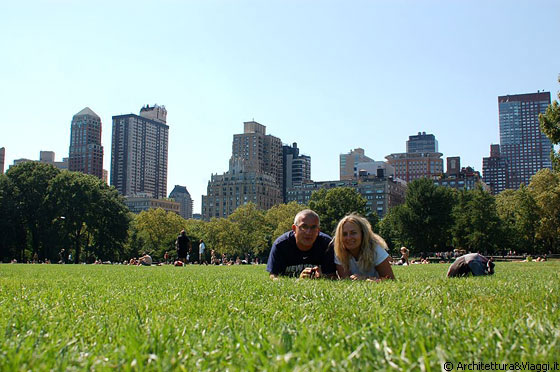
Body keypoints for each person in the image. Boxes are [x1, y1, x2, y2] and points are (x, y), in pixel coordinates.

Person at [266, 209, 336, 279]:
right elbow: (273, 276)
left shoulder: (327, 244)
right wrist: (298, 281)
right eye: (304, 227)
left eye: (313, 227)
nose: (308, 232)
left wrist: (322, 276)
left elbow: (332, 276)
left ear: (318, 230)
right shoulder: (281, 245)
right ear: (294, 229)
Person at [333, 214, 395, 281]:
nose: (349, 238)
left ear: (362, 233)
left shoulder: (376, 249)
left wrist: (365, 279)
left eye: (353, 233)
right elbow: (345, 279)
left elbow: (390, 279)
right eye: (344, 234)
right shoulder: (339, 252)